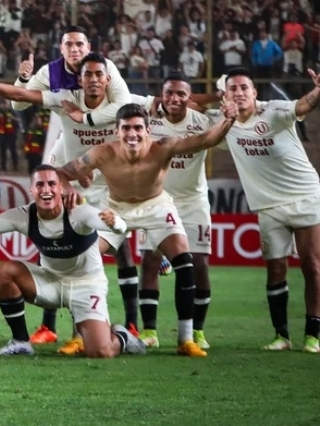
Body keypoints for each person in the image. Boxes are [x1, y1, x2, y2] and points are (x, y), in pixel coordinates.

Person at [0, 55, 135, 348]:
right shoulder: (66, 100)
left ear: (108, 78)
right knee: (53, 240)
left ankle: (124, 329)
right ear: (79, 79)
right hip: (71, 181)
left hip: (109, 196)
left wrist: (125, 220)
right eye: (87, 75)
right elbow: (22, 97)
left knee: (109, 251)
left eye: (98, 74)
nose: (93, 80)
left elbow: (157, 106)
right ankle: (48, 330)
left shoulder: (121, 106)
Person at [54, 101, 238, 357]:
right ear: (117, 131)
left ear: (148, 130)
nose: (132, 134)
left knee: (185, 263)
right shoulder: (101, 153)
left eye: (138, 128)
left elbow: (205, 140)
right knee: (82, 260)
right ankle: (78, 337)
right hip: (114, 208)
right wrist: (70, 191)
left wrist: (228, 120)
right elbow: (61, 174)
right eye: (126, 128)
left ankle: (185, 340)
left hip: (156, 206)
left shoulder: (163, 147)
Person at [0, 166, 146, 359]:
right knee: (6, 272)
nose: (46, 190)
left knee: (101, 351)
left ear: (61, 189)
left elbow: (104, 221)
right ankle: (21, 342)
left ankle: (122, 335)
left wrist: (115, 223)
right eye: (40, 185)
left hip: (86, 284)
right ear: (31, 191)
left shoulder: (78, 212)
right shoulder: (25, 215)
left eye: (52, 184)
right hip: (51, 281)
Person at [221, 67, 320, 353]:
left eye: (244, 88)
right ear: (225, 95)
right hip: (268, 206)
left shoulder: (275, 110)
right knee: (275, 268)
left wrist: (318, 89)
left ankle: (313, 334)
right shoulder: (224, 121)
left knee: (312, 266)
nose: (239, 93)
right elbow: (190, 108)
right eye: (233, 89)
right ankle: (281, 336)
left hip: (305, 196)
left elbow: (304, 105)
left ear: (255, 92)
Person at [130, 75, 220, 350]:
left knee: (199, 264)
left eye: (181, 94)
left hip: (193, 201)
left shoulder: (203, 121)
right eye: (169, 93)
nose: (174, 98)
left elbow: (226, 132)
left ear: (189, 97)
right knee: (149, 260)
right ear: (162, 94)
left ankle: (197, 330)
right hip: (155, 200)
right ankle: (150, 331)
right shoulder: (149, 121)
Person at [9, 26, 130, 125]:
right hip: (72, 131)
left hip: (104, 128)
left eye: (79, 44)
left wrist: (84, 118)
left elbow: (123, 104)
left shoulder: (105, 67)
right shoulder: (49, 72)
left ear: (88, 47)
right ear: (61, 48)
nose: (74, 49)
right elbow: (18, 105)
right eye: (68, 44)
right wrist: (23, 79)